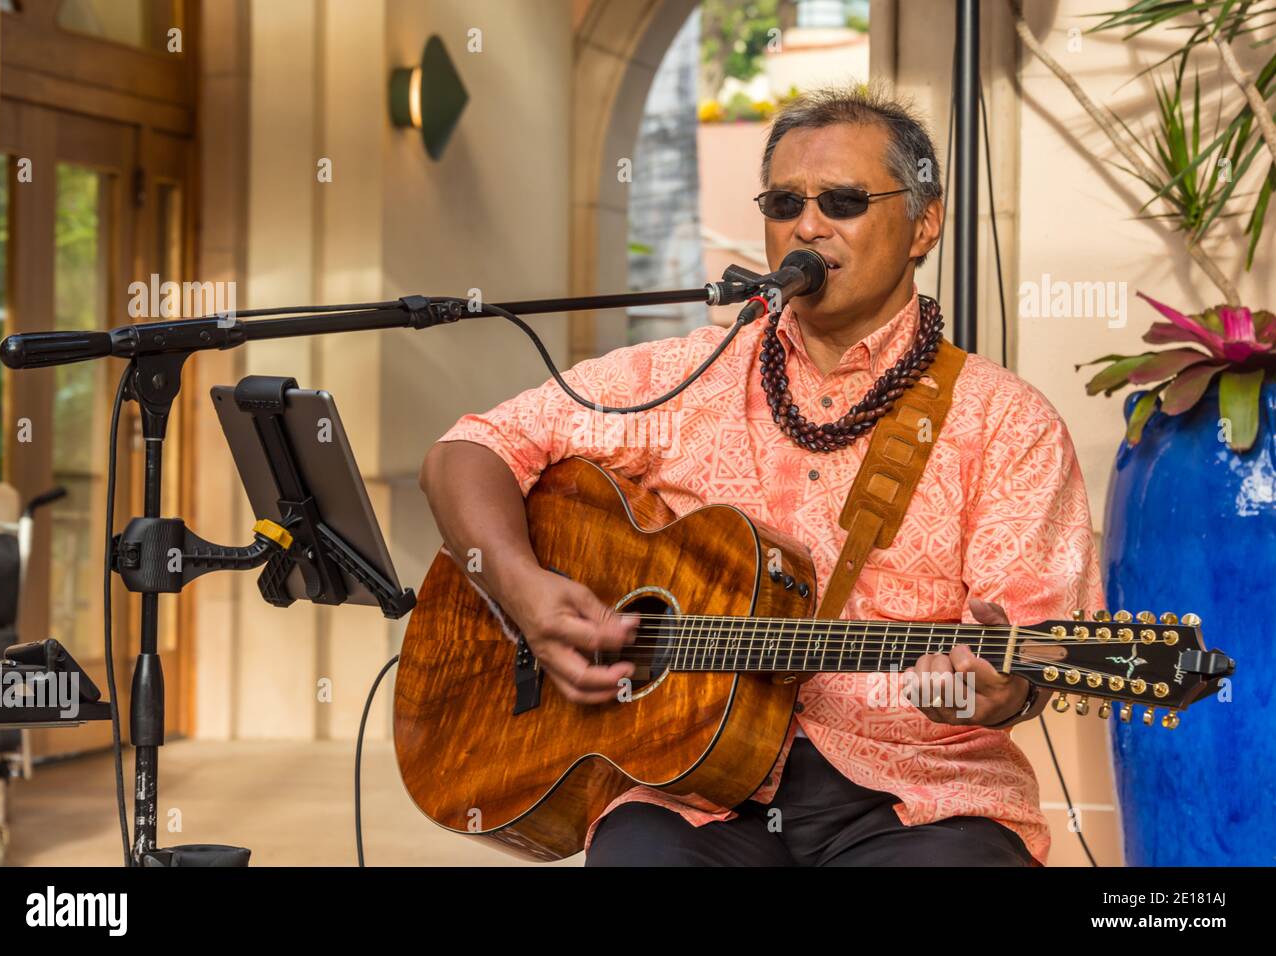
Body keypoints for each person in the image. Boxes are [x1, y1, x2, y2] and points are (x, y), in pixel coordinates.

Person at [419, 84, 1105, 866]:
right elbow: (467, 450)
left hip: (922, 800)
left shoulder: (1005, 420)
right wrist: (524, 591)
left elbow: (1026, 654)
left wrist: (997, 687)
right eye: (785, 203)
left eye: (843, 200)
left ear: (925, 223)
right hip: (692, 788)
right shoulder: (684, 376)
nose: (807, 225)